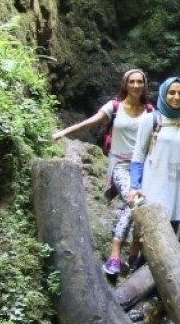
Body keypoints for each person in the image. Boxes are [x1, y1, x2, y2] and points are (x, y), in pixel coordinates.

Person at [52, 68, 153, 277]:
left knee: (141, 204)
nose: (136, 85)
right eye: (132, 82)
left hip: (143, 167)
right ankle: (115, 257)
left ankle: (134, 254)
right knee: (135, 202)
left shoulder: (149, 111)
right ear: (125, 84)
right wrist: (62, 132)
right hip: (120, 165)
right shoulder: (114, 107)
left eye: (139, 82)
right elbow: (90, 122)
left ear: (144, 85)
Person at [129, 77, 180, 244]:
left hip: (176, 186)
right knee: (151, 241)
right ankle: (137, 268)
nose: (176, 97)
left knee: (169, 241)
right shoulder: (152, 119)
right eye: (172, 93)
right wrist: (134, 186)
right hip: (153, 185)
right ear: (163, 94)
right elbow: (138, 154)